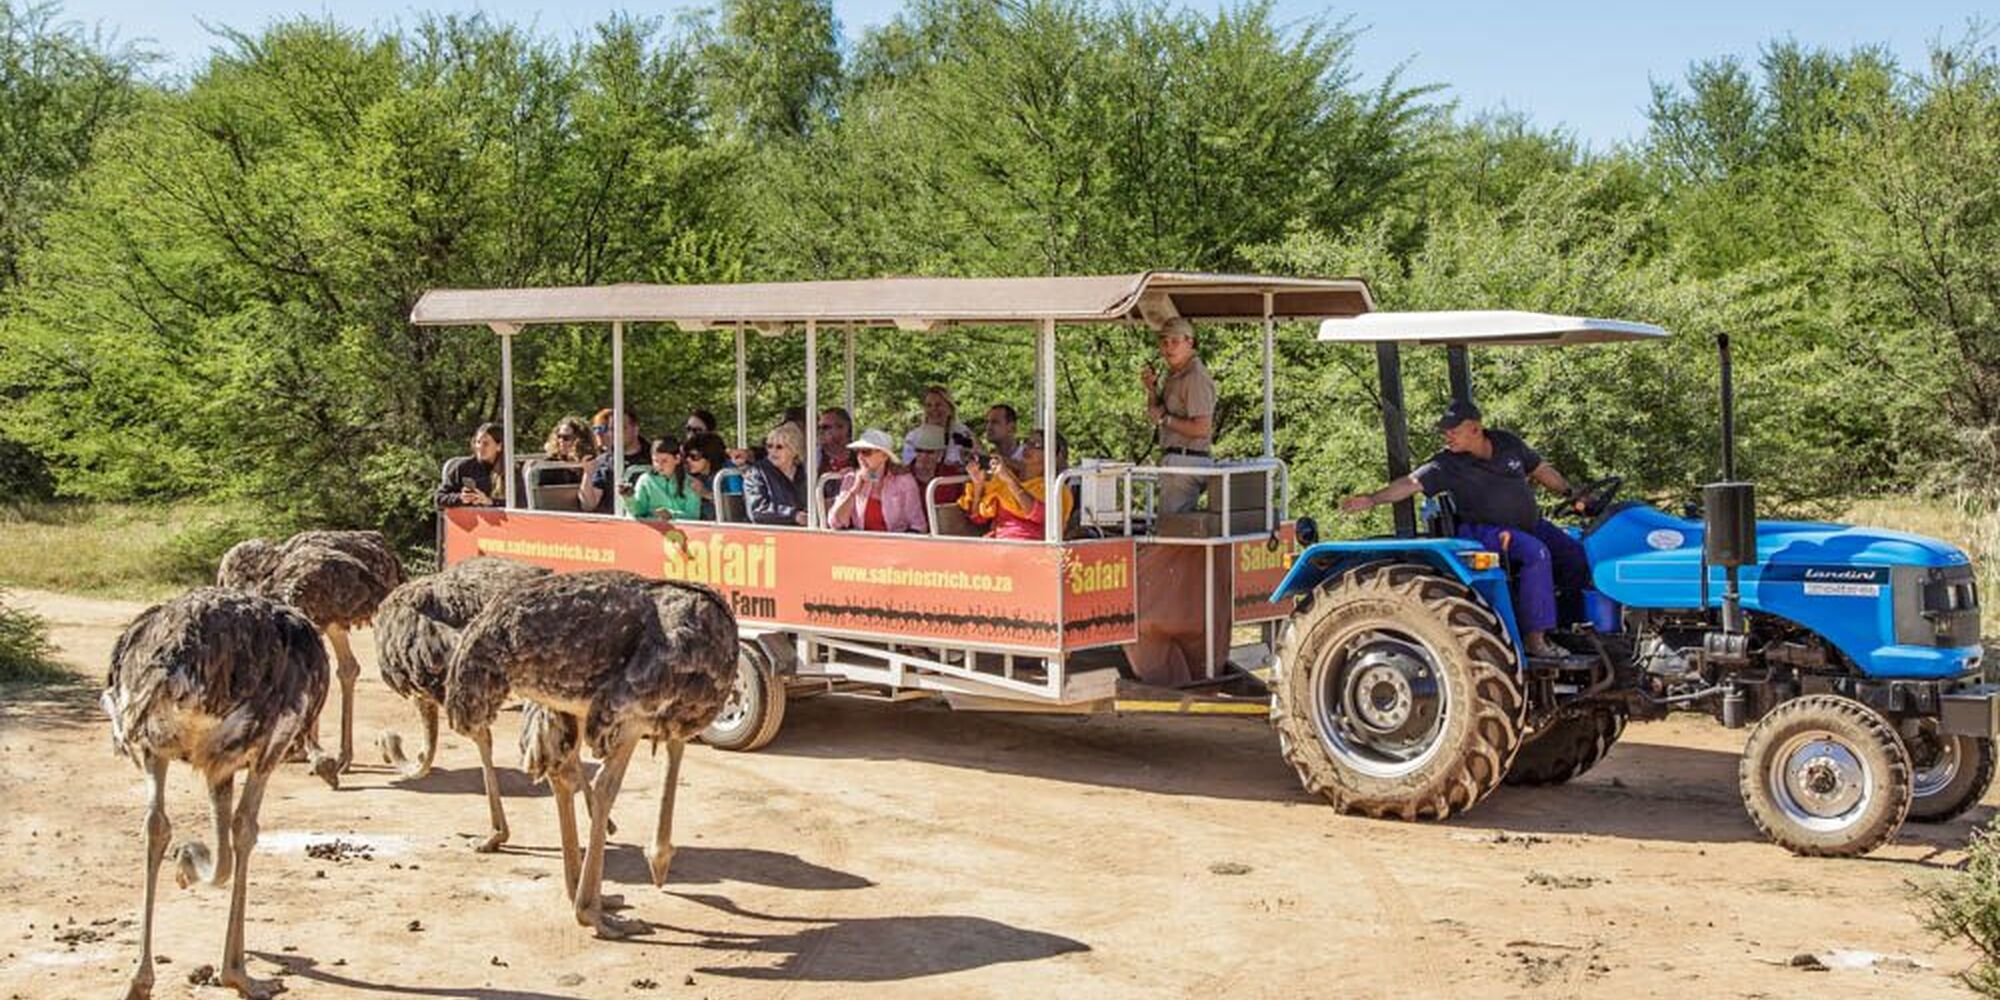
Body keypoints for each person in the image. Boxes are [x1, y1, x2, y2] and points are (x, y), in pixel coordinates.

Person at [1339, 400, 1588, 661]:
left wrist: (1572, 494)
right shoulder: (1447, 463)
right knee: (1535, 553)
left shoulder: (1507, 443)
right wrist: (1372, 499)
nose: (1448, 436)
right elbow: (1410, 482)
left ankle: (1565, 625)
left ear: (1475, 429)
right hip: (1486, 532)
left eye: (1453, 431)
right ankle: (1534, 639)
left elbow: (1540, 470)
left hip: (1529, 525)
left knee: (1575, 554)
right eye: (1445, 431)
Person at [1141, 317, 1216, 514]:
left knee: (1172, 529)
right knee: (1171, 526)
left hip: (1187, 461)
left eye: (1175, 342)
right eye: (1164, 343)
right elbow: (1155, 414)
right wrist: (1151, 389)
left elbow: (1202, 428)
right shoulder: (1175, 374)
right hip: (1177, 460)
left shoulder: (1195, 376)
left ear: (1189, 342)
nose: (1169, 348)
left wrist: (1166, 419)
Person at [960, 431, 1071, 541]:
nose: (1028, 447)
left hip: (1032, 549)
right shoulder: (1004, 478)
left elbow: (1039, 515)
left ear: (1051, 454)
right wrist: (978, 484)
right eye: (1027, 442)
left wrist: (1009, 480)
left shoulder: (1057, 488)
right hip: (999, 545)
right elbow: (977, 518)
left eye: (1036, 445)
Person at [827, 430, 926, 533]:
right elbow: (835, 522)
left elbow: (918, 525)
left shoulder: (904, 481)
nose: (860, 457)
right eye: (858, 452)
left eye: (866, 452)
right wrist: (854, 490)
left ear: (884, 456)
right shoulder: (851, 479)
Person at [578, 408, 649, 515]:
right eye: (611, 429)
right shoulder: (603, 462)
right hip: (616, 525)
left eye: (622, 428)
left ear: (635, 429)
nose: (616, 434)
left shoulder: (654, 458)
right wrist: (587, 474)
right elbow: (588, 505)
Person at [743, 421, 809, 526]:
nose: (773, 451)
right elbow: (756, 510)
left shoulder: (804, 471)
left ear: (794, 450)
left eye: (779, 447)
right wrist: (793, 515)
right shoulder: (757, 472)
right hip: (769, 534)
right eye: (769, 446)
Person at [629, 437, 702, 521]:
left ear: (677, 459)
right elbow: (637, 512)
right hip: (652, 530)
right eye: (656, 461)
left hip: (683, 531)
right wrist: (628, 497)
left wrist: (671, 515)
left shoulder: (691, 483)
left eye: (664, 461)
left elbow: (693, 516)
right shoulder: (645, 480)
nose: (659, 465)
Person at [902, 385, 975, 466]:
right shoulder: (914, 438)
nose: (934, 409)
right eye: (929, 405)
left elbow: (976, 460)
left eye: (938, 405)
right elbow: (909, 467)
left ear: (950, 408)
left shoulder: (962, 433)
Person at [436, 423, 505, 508]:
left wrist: (490, 501)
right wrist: (461, 498)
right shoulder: (464, 467)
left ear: (499, 446)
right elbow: (440, 498)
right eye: (478, 442)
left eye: (485, 444)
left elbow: (521, 502)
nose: (480, 447)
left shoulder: (511, 471)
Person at [906, 423, 967, 505]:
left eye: (930, 452)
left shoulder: (952, 475)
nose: (924, 456)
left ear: (940, 453)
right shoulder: (902, 476)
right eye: (919, 450)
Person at [536, 415, 597, 487]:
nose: (561, 441)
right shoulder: (550, 464)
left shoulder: (590, 461)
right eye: (559, 436)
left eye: (566, 438)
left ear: (579, 440)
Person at [681, 431, 730, 520]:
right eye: (686, 456)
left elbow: (735, 507)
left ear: (710, 455)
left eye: (694, 456)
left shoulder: (726, 475)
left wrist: (705, 493)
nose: (688, 460)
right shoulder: (692, 477)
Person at [983, 403, 1026, 470]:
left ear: (1011, 427)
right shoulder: (989, 457)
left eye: (995, 422)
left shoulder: (1027, 455)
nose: (988, 427)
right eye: (987, 422)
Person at [819, 407, 856, 478]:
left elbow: (876, 476)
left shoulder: (863, 455)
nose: (820, 431)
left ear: (843, 428)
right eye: (818, 427)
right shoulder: (815, 457)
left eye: (825, 427)